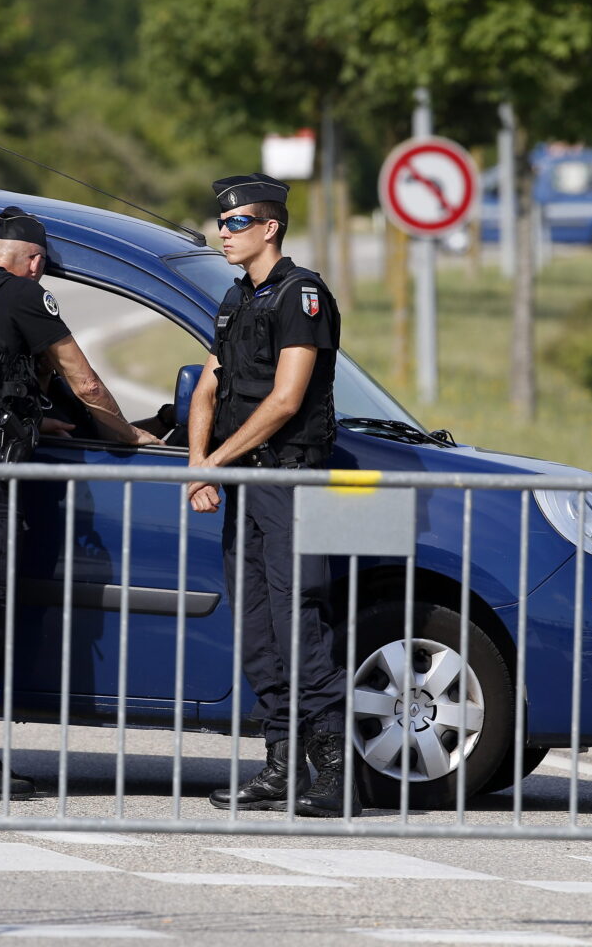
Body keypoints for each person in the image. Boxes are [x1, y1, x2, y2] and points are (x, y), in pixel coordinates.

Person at [0, 206, 158, 800]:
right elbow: (86, 381)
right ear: (34, 263)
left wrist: (39, 413)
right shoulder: (20, 295)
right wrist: (128, 436)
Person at [185, 173, 358, 818]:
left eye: (233, 224)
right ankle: (281, 766)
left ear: (269, 228)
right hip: (244, 483)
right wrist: (202, 464)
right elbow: (208, 388)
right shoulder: (236, 301)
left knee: (299, 623)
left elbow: (287, 400)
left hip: (288, 479)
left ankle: (336, 777)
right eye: (220, 223)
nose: (221, 234)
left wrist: (214, 466)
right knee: (257, 631)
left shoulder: (301, 295)